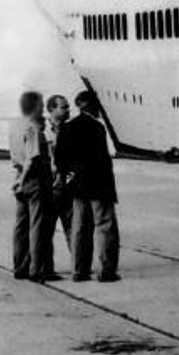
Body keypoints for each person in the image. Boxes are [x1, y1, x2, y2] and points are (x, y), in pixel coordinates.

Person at [58, 91, 120, 282]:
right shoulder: (97, 127)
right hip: (99, 186)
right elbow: (102, 161)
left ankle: (79, 270)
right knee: (105, 226)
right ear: (93, 105)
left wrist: (70, 180)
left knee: (79, 228)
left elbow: (61, 159)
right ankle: (106, 270)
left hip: (78, 187)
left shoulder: (68, 127)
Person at [9, 91, 58, 282]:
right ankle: (37, 269)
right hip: (35, 179)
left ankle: (19, 266)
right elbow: (32, 159)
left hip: (19, 175)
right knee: (38, 226)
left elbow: (17, 157)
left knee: (21, 226)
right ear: (35, 106)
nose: (43, 108)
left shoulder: (14, 126)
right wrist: (23, 181)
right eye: (41, 105)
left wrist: (18, 180)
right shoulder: (33, 129)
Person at [44, 93, 75, 256]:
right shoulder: (43, 131)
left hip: (67, 184)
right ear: (51, 109)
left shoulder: (70, 130)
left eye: (68, 107)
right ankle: (46, 268)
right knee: (47, 228)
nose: (68, 110)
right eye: (64, 107)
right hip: (50, 185)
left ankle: (78, 265)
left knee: (73, 226)